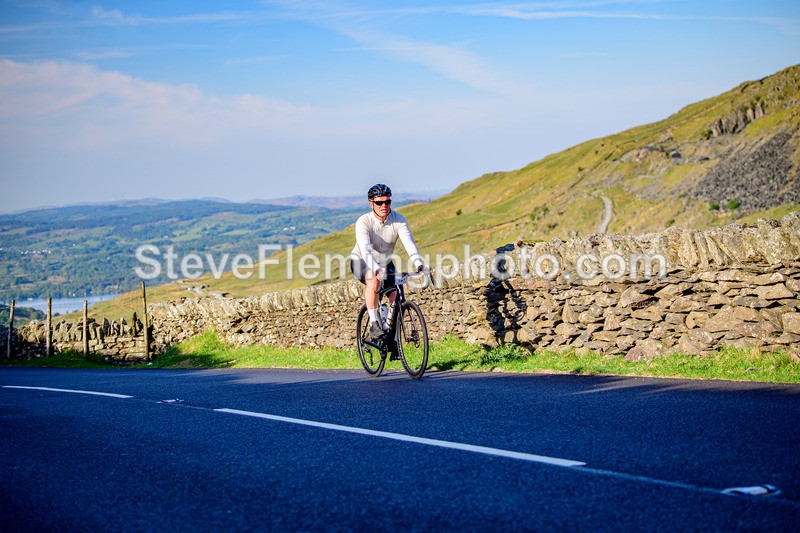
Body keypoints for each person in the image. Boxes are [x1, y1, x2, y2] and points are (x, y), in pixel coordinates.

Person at [351, 183, 425, 339]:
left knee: (396, 296)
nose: (383, 205)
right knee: (373, 281)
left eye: (387, 202)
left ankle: (393, 339)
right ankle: (374, 323)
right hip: (362, 260)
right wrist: (376, 269)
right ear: (371, 203)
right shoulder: (364, 221)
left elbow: (409, 243)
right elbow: (365, 250)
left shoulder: (398, 219)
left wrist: (418, 263)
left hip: (385, 262)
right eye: (379, 202)